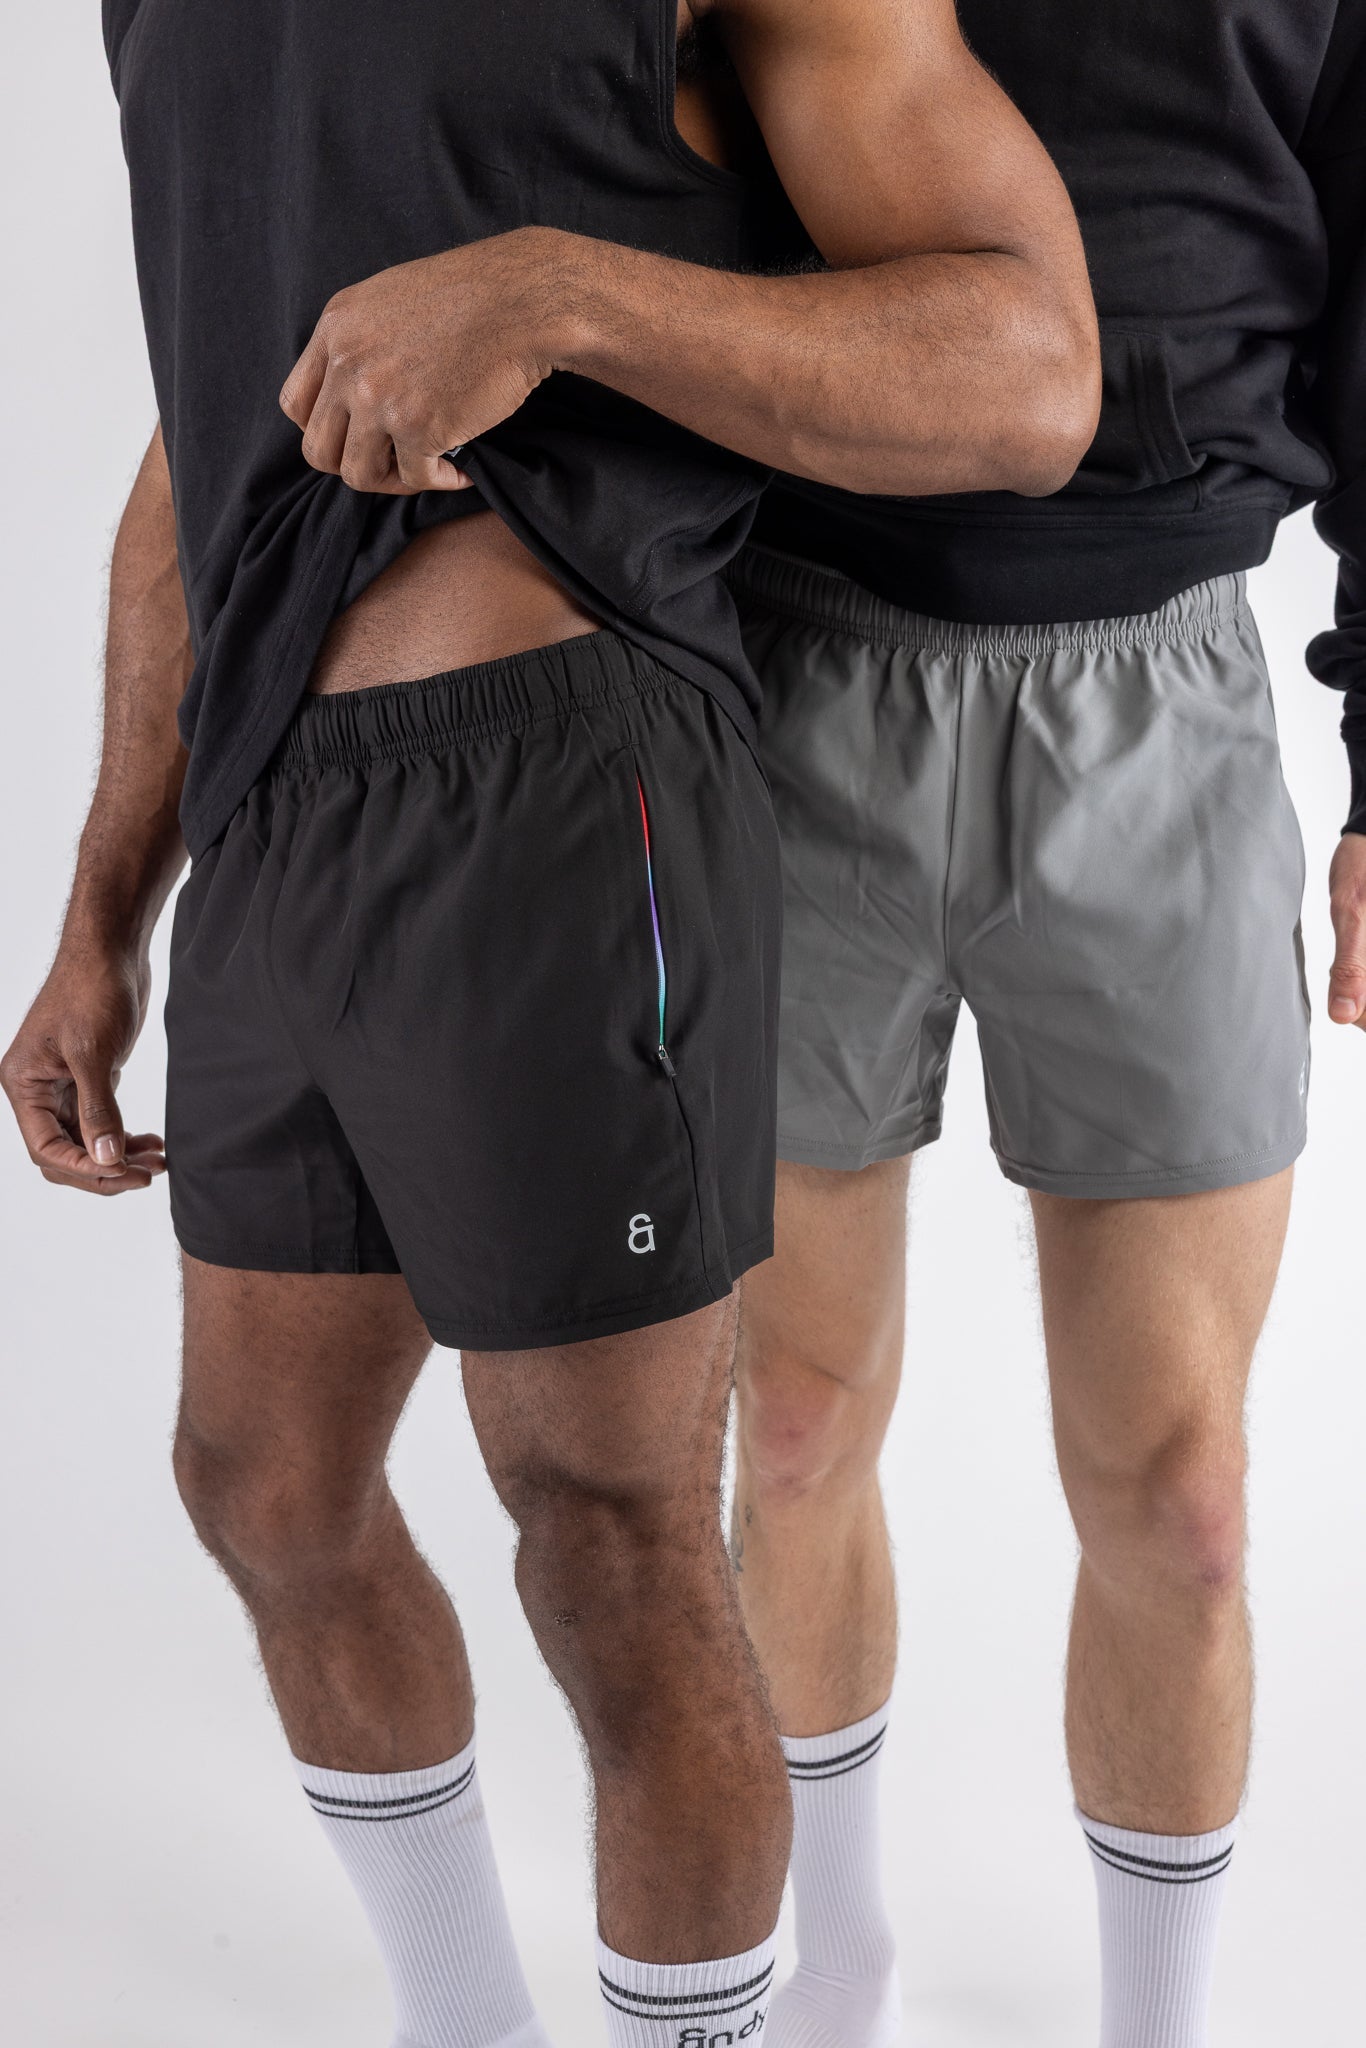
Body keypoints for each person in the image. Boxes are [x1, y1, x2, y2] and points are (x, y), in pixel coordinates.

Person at [0, 2, 1098, 2043]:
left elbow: (1030, 373)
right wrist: (100, 905)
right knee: (263, 1484)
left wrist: (560, 292)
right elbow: (210, 413)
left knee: (605, 1537)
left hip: (560, 782)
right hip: (265, 816)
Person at [728, 4, 1366, 2046]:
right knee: (791, 1425)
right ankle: (832, 1965)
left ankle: (1155, 2025)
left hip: (1159, 699)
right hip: (793, 658)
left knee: (1183, 1500)